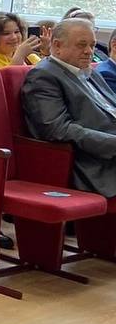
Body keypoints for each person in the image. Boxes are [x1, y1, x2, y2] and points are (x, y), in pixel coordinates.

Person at [21, 18, 116, 199]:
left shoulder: (88, 71)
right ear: (57, 46)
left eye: (92, 45)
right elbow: (58, 129)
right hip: (97, 163)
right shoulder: (44, 76)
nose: (89, 51)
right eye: (82, 45)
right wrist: (112, 143)